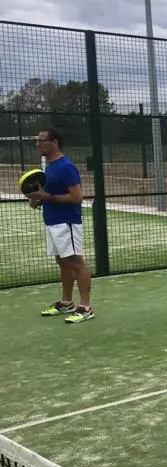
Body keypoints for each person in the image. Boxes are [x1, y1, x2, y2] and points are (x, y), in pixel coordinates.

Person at [25, 128, 95, 323]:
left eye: (41, 140)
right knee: (63, 263)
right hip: (52, 221)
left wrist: (48, 197)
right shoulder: (50, 166)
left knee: (76, 263)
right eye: (37, 141)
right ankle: (66, 303)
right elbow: (48, 193)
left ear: (54, 142)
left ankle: (86, 307)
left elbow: (77, 197)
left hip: (67, 223)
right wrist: (37, 199)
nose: (37, 144)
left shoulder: (66, 166)